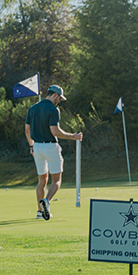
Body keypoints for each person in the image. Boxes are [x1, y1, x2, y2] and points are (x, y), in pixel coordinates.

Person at [25, 85, 83, 220]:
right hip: (50, 146)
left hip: (37, 147)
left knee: (42, 180)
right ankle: (46, 200)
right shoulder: (53, 109)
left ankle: (40, 212)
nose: (59, 101)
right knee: (56, 180)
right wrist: (73, 136)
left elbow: (27, 130)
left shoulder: (32, 108)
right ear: (55, 95)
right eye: (60, 98)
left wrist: (31, 146)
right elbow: (55, 131)